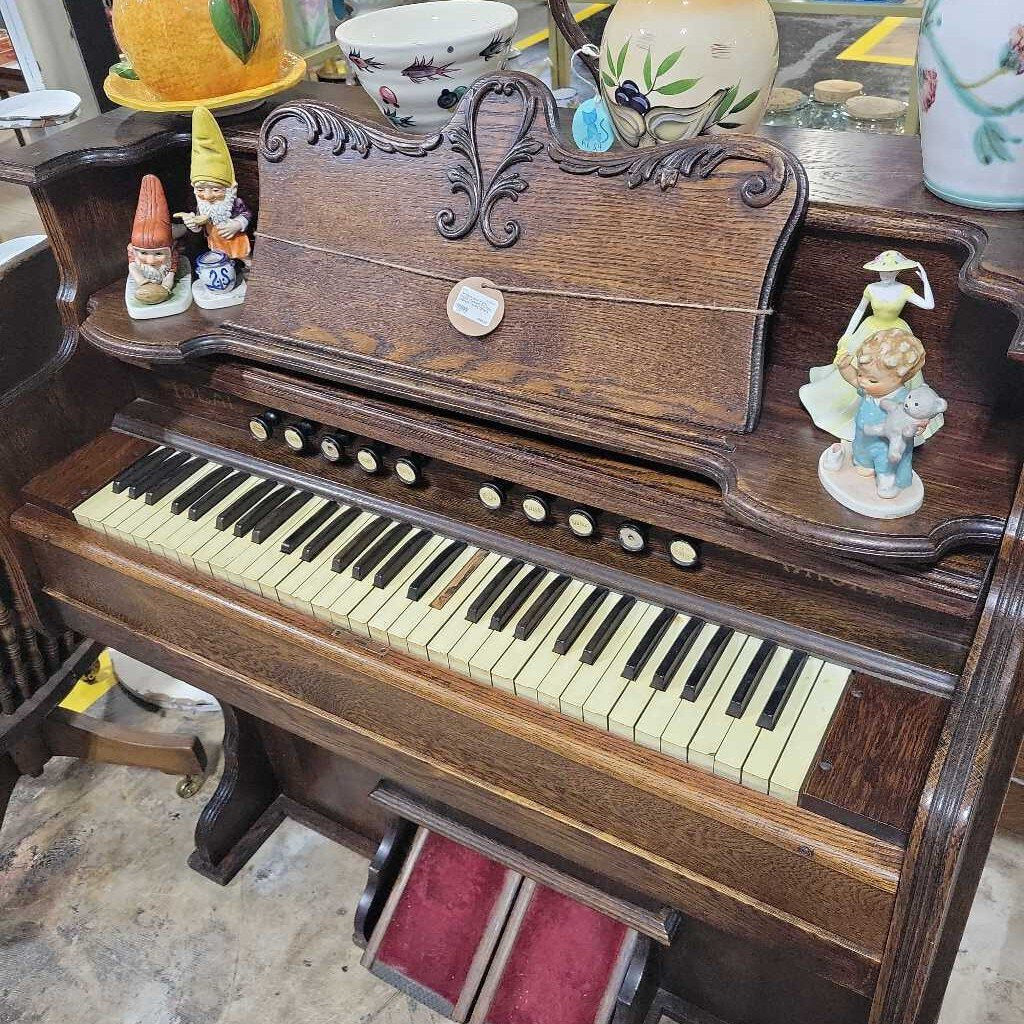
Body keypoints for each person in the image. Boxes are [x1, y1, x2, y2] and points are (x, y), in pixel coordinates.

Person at [800, 250, 941, 442]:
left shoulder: (905, 290)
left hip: (895, 333)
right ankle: (857, 403)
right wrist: (848, 334)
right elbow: (859, 311)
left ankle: (891, 413)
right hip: (870, 330)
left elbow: (929, 305)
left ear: (898, 271)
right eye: (883, 271)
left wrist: (924, 280)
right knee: (861, 366)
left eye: (891, 271)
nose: (886, 274)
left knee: (894, 369)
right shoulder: (871, 288)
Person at [837, 328, 926, 498]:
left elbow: (917, 414)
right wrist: (845, 367)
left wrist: (919, 426)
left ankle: (886, 481)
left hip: (886, 443)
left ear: (900, 378)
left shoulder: (903, 399)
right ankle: (865, 464)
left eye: (872, 380)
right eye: (861, 373)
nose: (862, 381)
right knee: (862, 461)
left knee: (886, 463)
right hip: (864, 439)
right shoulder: (869, 390)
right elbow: (852, 378)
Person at [178, 106, 253, 268]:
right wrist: (194, 225)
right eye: (200, 190)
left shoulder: (234, 202)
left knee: (245, 258)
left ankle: (249, 268)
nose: (208, 196)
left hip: (235, 239)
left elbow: (246, 214)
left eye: (215, 189)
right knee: (219, 260)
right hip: (215, 240)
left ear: (229, 189)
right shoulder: (202, 205)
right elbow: (201, 223)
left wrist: (237, 224)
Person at [127, 174, 178, 306]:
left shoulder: (172, 258)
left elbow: (170, 275)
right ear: (133, 250)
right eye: (143, 253)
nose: (150, 261)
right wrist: (143, 282)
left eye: (158, 254)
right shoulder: (134, 258)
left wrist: (165, 288)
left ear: (170, 251)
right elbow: (133, 267)